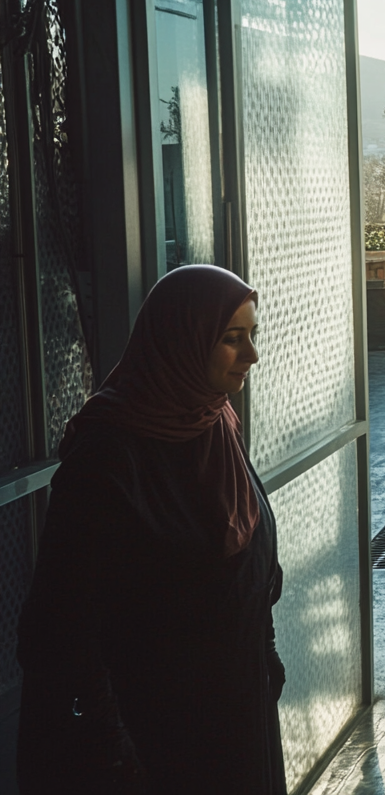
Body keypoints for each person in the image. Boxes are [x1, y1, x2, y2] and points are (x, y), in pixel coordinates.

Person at [17, 265, 285, 795]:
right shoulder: (109, 457)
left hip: (236, 718)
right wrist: (112, 746)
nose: (251, 354)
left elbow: (250, 553)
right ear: (180, 342)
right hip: (156, 742)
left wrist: (266, 653)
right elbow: (62, 627)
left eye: (252, 335)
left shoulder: (215, 422)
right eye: (232, 339)